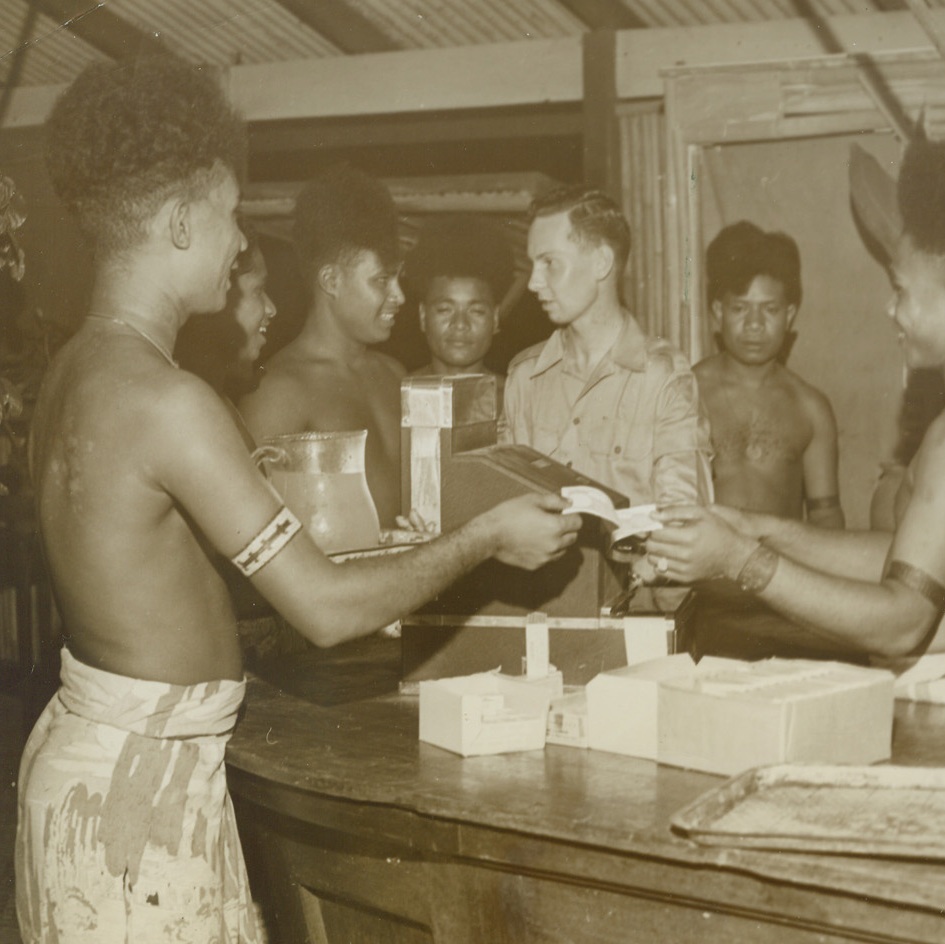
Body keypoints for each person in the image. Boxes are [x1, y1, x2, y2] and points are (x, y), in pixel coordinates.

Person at [17, 56, 580, 944]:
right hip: (137, 795)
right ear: (176, 223)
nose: (244, 245)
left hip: (109, 764)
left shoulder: (79, 371)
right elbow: (321, 610)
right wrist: (482, 537)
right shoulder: (171, 401)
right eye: (231, 217)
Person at [648, 132, 945, 714]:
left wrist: (739, 562)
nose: (891, 309)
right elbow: (908, 558)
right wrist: (755, 528)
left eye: (900, 289)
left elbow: (901, 622)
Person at [501, 185, 713, 511]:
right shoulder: (524, 376)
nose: (533, 283)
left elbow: (684, 526)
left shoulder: (663, 378)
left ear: (601, 262)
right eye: (533, 264)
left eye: (549, 263)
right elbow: (507, 512)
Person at [237, 165, 409, 529]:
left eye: (398, 278)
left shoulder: (394, 375)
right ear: (331, 280)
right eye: (382, 280)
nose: (399, 296)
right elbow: (251, 541)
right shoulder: (278, 392)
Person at [695, 221, 843, 526]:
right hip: (698, 568)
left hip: (780, 569)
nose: (754, 324)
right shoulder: (687, 390)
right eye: (740, 308)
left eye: (770, 310)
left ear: (789, 315)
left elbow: (826, 514)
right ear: (718, 312)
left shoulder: (810, 408)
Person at [175, 219, 277, 406]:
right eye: (258, 291)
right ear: (222, 294)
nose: (272, 309)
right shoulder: (190, 403)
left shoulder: (219, 400)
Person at [408, 214, 513, 382]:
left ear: (495, 319)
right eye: (444, 309)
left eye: (477, 311)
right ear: (422, 316)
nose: (460, 324)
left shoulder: (515, 398)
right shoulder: (394, 393)